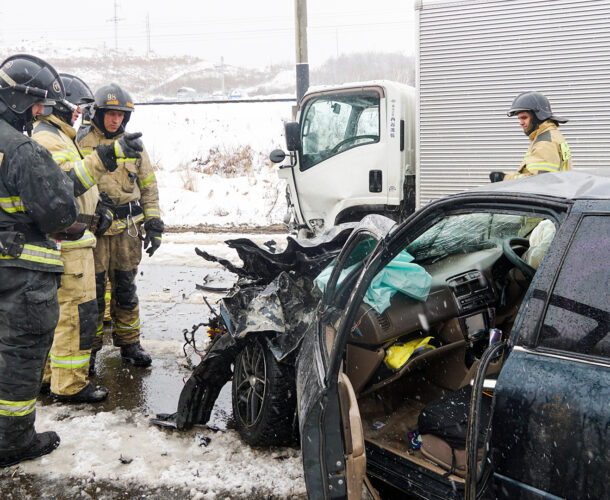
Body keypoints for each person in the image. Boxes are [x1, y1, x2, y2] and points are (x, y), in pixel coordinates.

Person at [33, 74, 143, 403]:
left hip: (91, 233)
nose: (80, 114)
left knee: (117, 293)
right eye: (77, 108)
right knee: (76, 313)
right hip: (70, 242)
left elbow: (145, 183)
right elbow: (68, 185)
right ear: (60, 106)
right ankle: (68, 385)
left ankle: (55, 377)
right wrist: (104, 158)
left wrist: (100, 213)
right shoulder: (55, 140)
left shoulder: (60, 137)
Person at [0, 54, 79, 467]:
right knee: (19, 354)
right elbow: (60, 214)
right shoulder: (21, 150)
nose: (38, 113)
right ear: (17, 99)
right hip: (21, 276)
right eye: (36, 104)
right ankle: (12, 442)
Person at [78, 83, 163, 371]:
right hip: (96, 233)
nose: (115, 120)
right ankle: (88, 351)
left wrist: (154, 223)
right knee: (93, 292)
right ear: (99, 114)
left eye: (120, 115)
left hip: (128, 232)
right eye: (110, 114)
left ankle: (129, 343)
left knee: (126, 289)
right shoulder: (83, 143)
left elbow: (148, 186)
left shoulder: (135, 145)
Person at [491, 91, 572, 182]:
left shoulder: (545, 143)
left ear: (537, 116)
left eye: (524, 117)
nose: (521, 123)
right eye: (519, 118)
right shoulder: (552, 134)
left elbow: (537, 182)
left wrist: (504, 178)